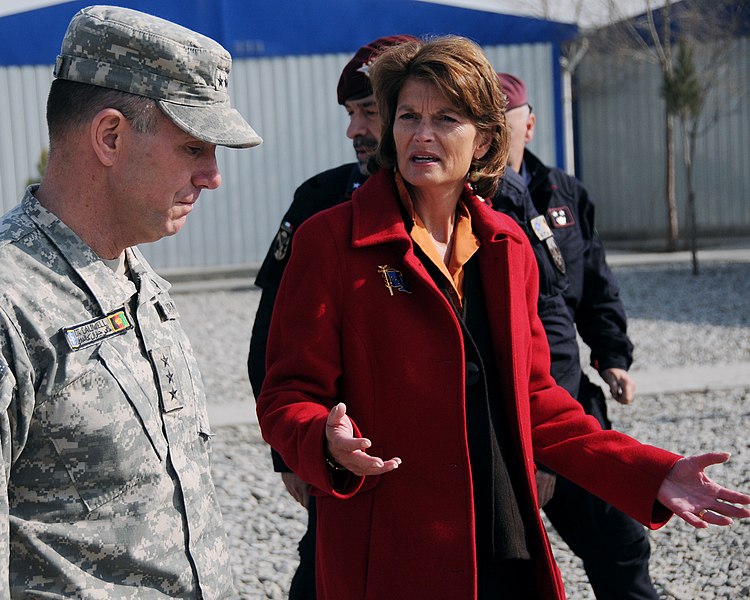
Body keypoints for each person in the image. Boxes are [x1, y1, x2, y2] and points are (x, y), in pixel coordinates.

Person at [256, 35, 750, 600]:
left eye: (446, 118)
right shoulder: (330, 241)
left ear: (486, 136)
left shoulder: (507, 244)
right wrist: (322, 439)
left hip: (501, 538)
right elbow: (285, 394)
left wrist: (650, 473)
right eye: (409, 116)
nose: (422, 134)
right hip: (390, 553)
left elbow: (538, 401)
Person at [0, 6, 261, 597]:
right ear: (111, 136)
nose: (213, 176)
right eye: (195, 147)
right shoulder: (10, 303)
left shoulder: (135, 279)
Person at [248, 34, 415, 599]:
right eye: (351, 113)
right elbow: (271, 345)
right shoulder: (320, 203)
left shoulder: (492, 211)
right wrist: (293, 453)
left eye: (368, 110)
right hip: (348, 470)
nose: (354, 130)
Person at [499, 72, 658, 599]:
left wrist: (613, 354)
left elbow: (596, 284)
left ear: (530, 125)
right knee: (514, 572)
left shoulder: (563, 192)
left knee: (621, 543)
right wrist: (538, 453)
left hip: (573, 401)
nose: (497, 136)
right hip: (510, 421)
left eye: (506, 123)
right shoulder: (467, 206)